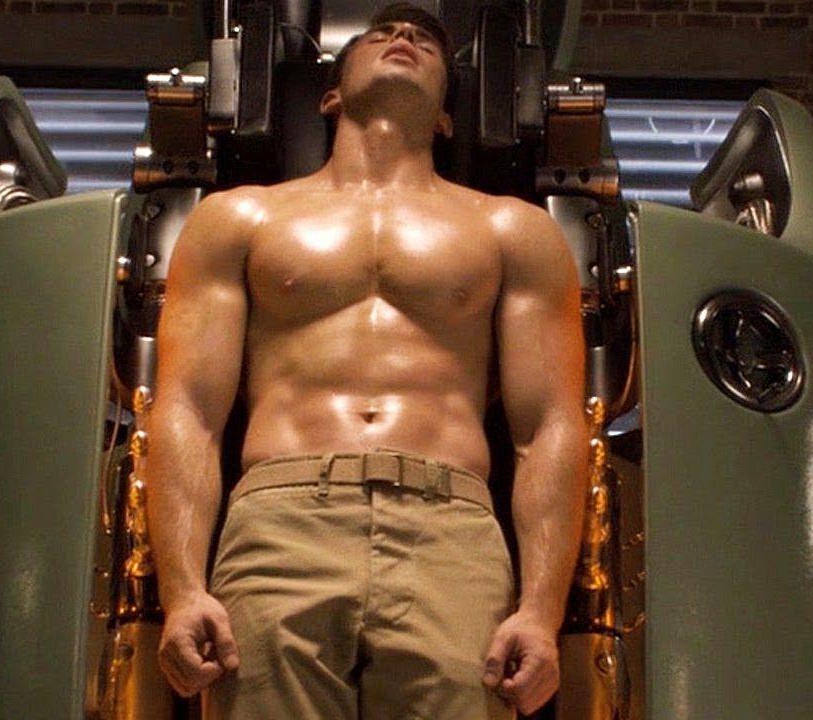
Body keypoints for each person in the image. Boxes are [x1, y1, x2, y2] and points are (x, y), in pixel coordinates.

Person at [139, 3, 590, 717]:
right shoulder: (241, 219)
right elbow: (189, 410)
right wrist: (183, 589)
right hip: (281, 524)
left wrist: (541, 611)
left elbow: (550, 426)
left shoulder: (514, 231)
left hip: (450, 532)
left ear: (446, 118)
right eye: (381, 35)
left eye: (424, 40)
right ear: (330, 97)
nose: (404, 37)